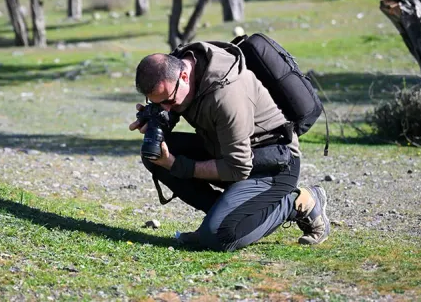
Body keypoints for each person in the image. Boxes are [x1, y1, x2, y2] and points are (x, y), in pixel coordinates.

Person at [128, 41, 330, 251]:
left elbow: (238, 167)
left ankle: (298, 202)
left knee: (219, 236)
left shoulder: (227, 95)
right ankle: (227, 215)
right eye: (158, 103)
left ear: (184, 76)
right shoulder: (180, 64)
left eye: (168, 101)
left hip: (271, 164)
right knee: (153, 152)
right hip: (223, 148)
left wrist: (175, 164)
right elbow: (170, 107)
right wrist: (156, 120)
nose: (167, 107)